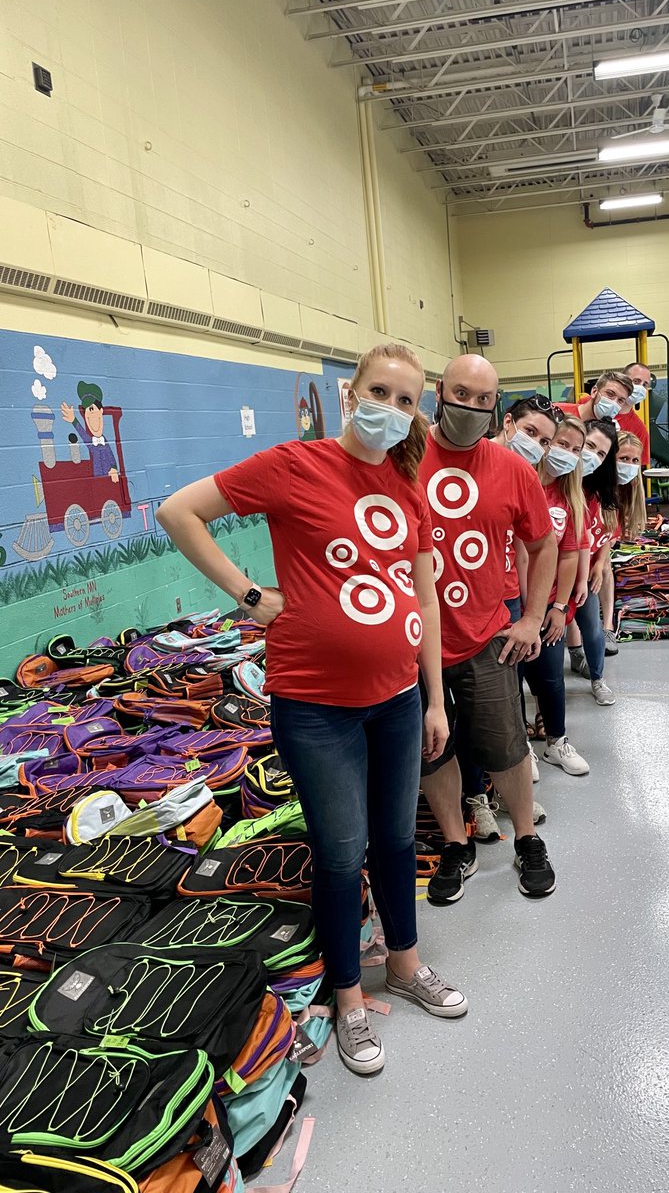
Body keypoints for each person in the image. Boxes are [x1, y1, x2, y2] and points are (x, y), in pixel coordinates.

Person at [156, 343, 465, 1078]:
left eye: (404, 398)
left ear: (416, 410)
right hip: (314, 706)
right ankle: (350, 999)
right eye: (378, 390)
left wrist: (433, 695)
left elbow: (423, 595)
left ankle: (406, 964)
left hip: (396, 698)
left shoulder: (405, 479)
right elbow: (178, 511)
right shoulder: (295, 466)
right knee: (339, 850)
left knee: (394, 841)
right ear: (349, 391)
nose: (389, 407)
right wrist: (251, 596)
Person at [420, 355, 559, 904]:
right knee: (434, 749)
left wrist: (531, 616)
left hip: (485, 636)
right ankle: (457, 843)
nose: (471, 407)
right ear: (439, 392)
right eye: (461, 394)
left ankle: (526, 836)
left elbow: (543, 543)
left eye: (484, 399)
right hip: (413, 641)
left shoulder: (512, 469)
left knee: (506, 745)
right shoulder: (401, 459)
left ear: (496, 404)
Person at [463, 394, 559, 845]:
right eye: (531, 433)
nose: (536, 444)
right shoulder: (460, 466)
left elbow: (532, 546)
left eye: (545, 440)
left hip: (504, 605)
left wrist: (530, 612)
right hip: (448, 613)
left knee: (502, 712)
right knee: (456, 718)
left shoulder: (522, 477)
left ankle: (505, 797)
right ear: (506, 422)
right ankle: (475, 797)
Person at [521, 415, 591, 775]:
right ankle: (520, 749)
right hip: (509, 602)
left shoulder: (570, 497)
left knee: (550, 676)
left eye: (575, 450)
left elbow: (568, 555)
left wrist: (561, 607)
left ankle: (556, 742)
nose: (567, 453)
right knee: (509, 681)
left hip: (547, 601)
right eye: (562, 444)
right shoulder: (520, 482)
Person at [568, 418, 618, 704]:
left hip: (583, 576)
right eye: (590, 446)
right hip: (553, 577)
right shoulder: (555, 482)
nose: (592, 456)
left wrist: (598, 565)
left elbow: (601, 536)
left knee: (592, 627)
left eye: (601, 454)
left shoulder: (596, 493)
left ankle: (598, 679)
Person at [60, 382, 120, 481]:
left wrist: (114, 469)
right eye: (86, 412)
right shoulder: (92, 442)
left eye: (92, 409)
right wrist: (74, 421)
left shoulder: (104, 440)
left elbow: (111, 457)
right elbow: (83, 435)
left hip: (111, 480)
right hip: (98, 481)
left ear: (101, 410)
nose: (89, 416)